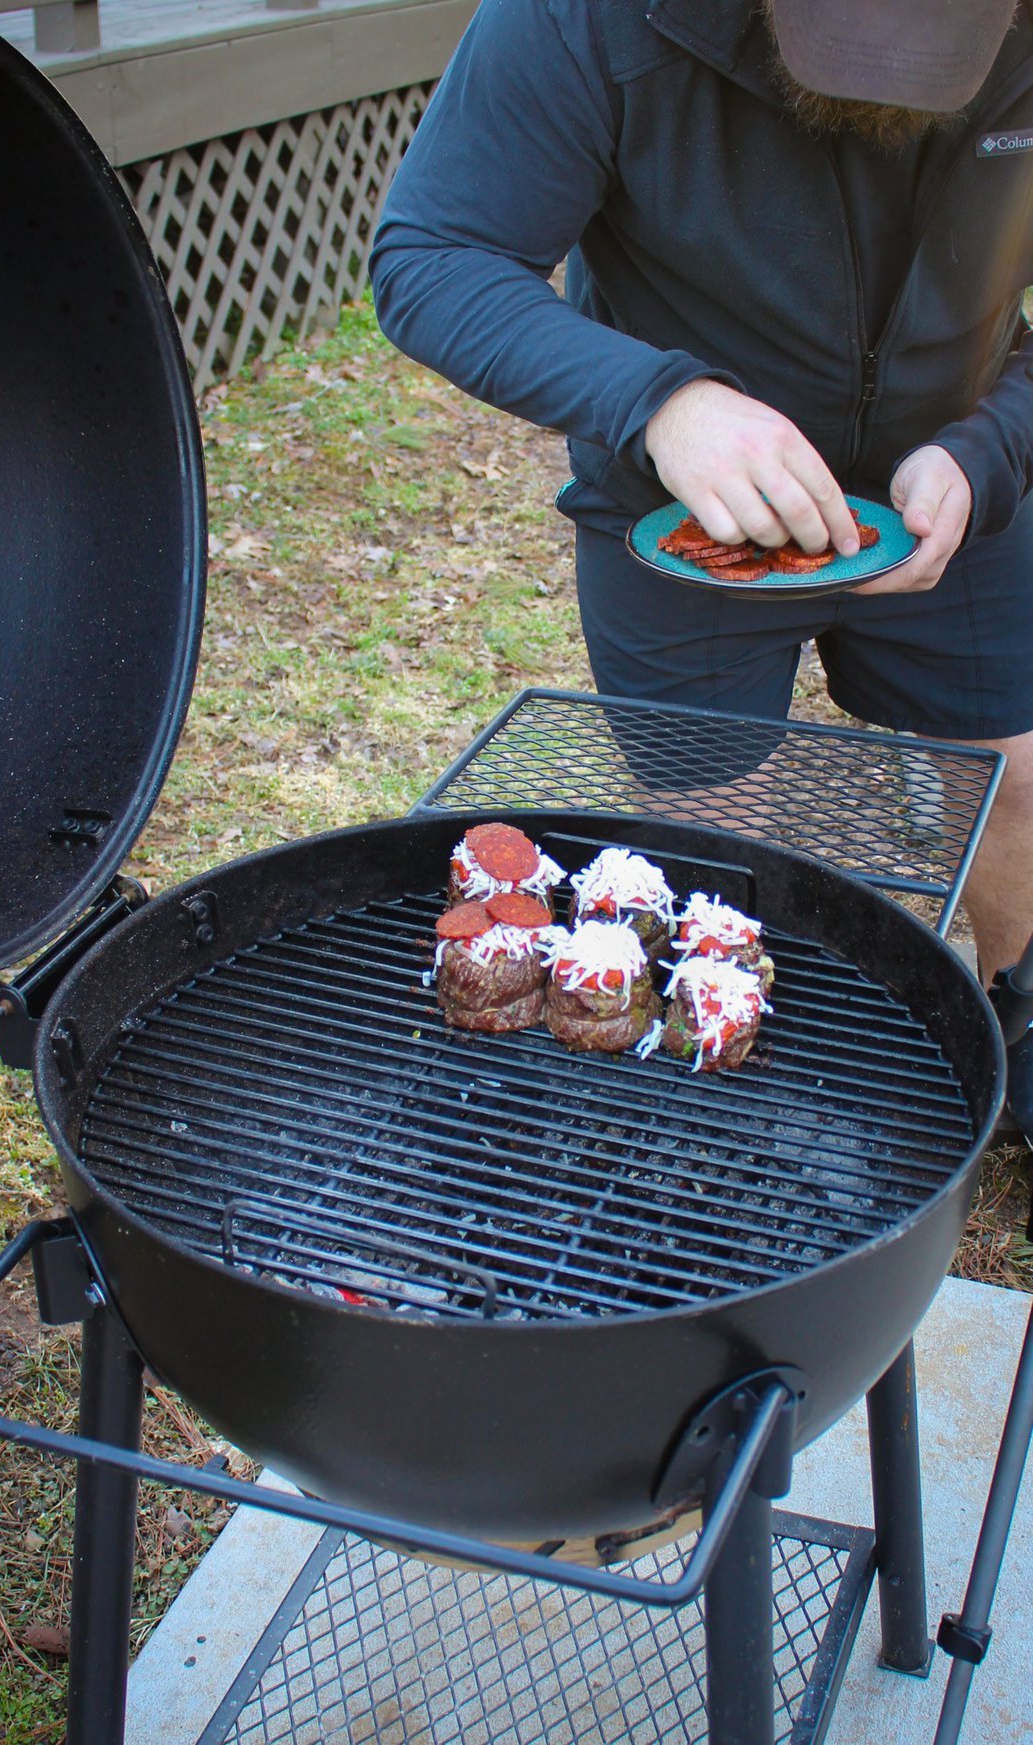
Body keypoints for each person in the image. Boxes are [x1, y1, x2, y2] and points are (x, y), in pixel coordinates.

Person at [369, 0, 1033, 1042]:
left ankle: (1023, 1041)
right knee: (716, 839)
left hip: (958, 485)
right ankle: (722, 1077)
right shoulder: (587, 17)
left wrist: (992, 450)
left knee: (1022, 781)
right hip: (677, 523)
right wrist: (660, 402)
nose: (883, 85)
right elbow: (435, 253)